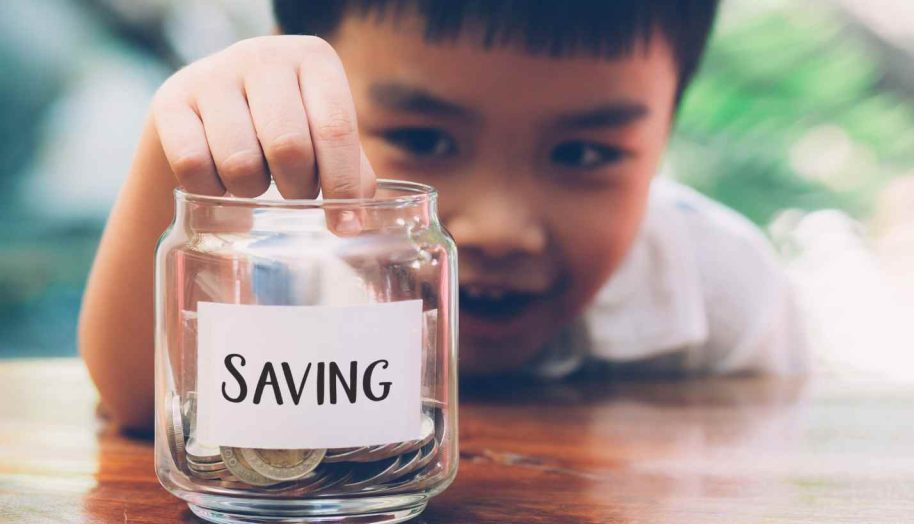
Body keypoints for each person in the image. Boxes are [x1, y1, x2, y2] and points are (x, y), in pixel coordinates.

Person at [80, 0, 806, 431]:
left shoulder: (719, 286)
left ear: (665, 138)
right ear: (310, 109)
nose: (497, 227)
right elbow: (145, 402)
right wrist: (173, 147)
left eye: (584, 154)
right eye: (426, 140)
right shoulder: (271, 245)